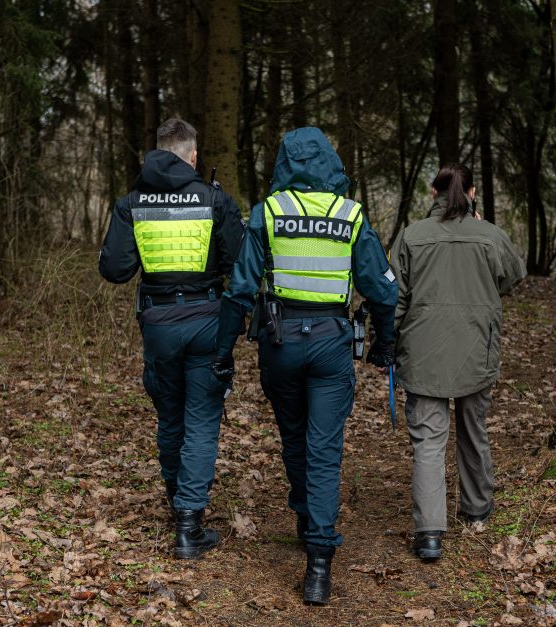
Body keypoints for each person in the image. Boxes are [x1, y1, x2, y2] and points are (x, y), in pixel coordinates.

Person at [212, 127, 397, 605]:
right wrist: (384, 344)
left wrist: (222, 351)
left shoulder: (267, 213)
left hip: (281, 341)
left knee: (294, 438)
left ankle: (304, 515)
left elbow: (239, 290)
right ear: (331, 163)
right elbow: (383, 290)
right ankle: (318, 565)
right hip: (333, 344)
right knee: (324, 449)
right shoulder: (351, 215)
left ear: (283, 165)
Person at [98, 118, 244, 559]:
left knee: (170, 415)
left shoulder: (132, 203)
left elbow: (115, 270)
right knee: (201, 419)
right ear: (193, 156)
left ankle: (174, 498)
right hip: (206, 319)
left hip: (158, 323)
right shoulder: (215, 200)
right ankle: (188, 526)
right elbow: (238, 263)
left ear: (159, 151)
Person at [389, 163, 526, 562]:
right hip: (475, 351)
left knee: (429, 443)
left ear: (433, 194)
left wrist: (387, 343)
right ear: (473, 192)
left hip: (424, 352)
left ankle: (430, 535)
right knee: (473, 427)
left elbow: (394, 298)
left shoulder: (411, 236)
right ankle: (477, 507)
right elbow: (513, 276)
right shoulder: (489, 236)